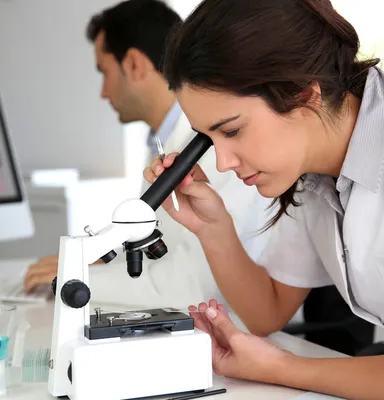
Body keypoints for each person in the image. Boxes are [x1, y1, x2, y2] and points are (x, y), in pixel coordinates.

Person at [144, 0, 384, 398]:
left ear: (304, 95)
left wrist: (283, 368)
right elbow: (268, 311)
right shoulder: (312, 171)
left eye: (233, 131)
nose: (222, 163)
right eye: (209, 139)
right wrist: (212, 226)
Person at [22, 0, 273, 312]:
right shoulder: (163, 142)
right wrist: (99, 259)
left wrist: (76, 277)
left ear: (134, 64)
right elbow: (165, 252)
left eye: (105, 72)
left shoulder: (219, 145)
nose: (103, 91)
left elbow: (195, 284)